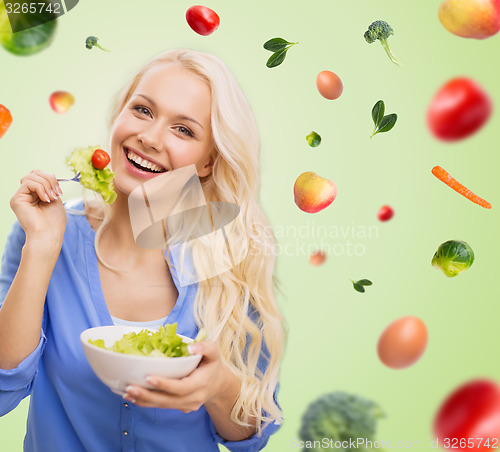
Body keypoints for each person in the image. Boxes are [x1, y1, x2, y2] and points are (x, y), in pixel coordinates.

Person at [0, 48, 285, 451]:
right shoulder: (44, 233)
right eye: (142, 110)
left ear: (207, 162)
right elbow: (2, 390)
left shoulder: (232, 255)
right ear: (119, 116)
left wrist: (218, 386)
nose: (149, 138)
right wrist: (41, 249)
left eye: (184, 130)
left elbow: (252, 435)